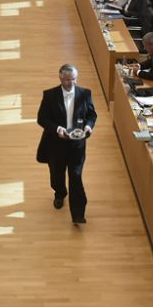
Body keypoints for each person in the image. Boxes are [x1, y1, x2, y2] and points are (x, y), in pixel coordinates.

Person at [36, 64, 97, 225]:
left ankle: (78, 214)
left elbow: (92, 114)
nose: (71, 83)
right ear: (61, 78)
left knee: (76, 177)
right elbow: (42, 119)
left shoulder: (85, 93)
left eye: (74, 79)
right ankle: (60, 193)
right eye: (68, 80)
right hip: (56, 144)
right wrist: (57, 129)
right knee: (57, 173)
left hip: (77, 144)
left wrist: (89, 125)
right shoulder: (49, 95)